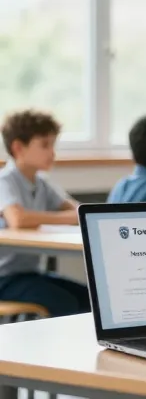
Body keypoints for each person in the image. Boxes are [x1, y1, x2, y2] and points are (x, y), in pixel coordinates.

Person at [0, 109, 90, 316]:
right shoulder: (4, 181)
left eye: (53, 145)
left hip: (29, 274)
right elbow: (18, 219)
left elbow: (77, 210)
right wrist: (67, 219)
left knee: (88, 299)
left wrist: (78, 214)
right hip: (4, 278)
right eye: (45, 145)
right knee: (63, 302)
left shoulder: (41, 183)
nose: (52, 153)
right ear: (18, 148)